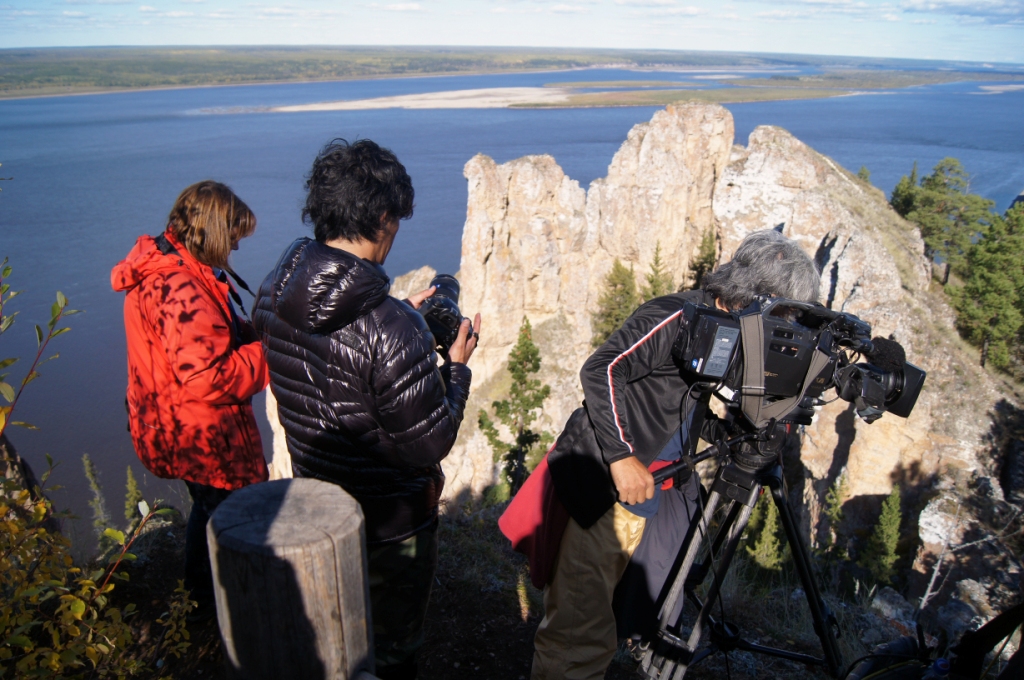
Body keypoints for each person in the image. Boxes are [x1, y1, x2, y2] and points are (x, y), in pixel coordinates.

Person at [525, 229, 821, 680]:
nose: (784, 326)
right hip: (606, 484)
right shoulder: (678, 316)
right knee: (578, 626)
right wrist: (621, 457)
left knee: (613, 617)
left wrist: (729, 432)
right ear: (759, 296)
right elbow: (602, 368)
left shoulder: (727, 331)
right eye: (783, 313)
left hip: (657, 486)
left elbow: (679, 408)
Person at [252, 138, 480, 680]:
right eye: (396, 221)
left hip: (321, 505)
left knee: (335, 635)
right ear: (383, 218)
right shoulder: (391, 331)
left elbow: (329, 350)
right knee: (391, 653)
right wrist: (456, 367)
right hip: (390, 524)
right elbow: (430, 442)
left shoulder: (275, 288)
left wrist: (400, 312)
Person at [112, 181, 269, 612]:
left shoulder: (168, 266)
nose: (236, 247)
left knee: (207, 505)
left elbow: (205, 341)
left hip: (176, 424)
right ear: (214, 232)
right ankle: (226, 605)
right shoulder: (180, 289)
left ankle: (198, 600)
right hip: (201, 435)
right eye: (234, 236)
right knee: (231, 516)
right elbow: (209, 376)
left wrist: (250, 334)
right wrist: (269, 354)